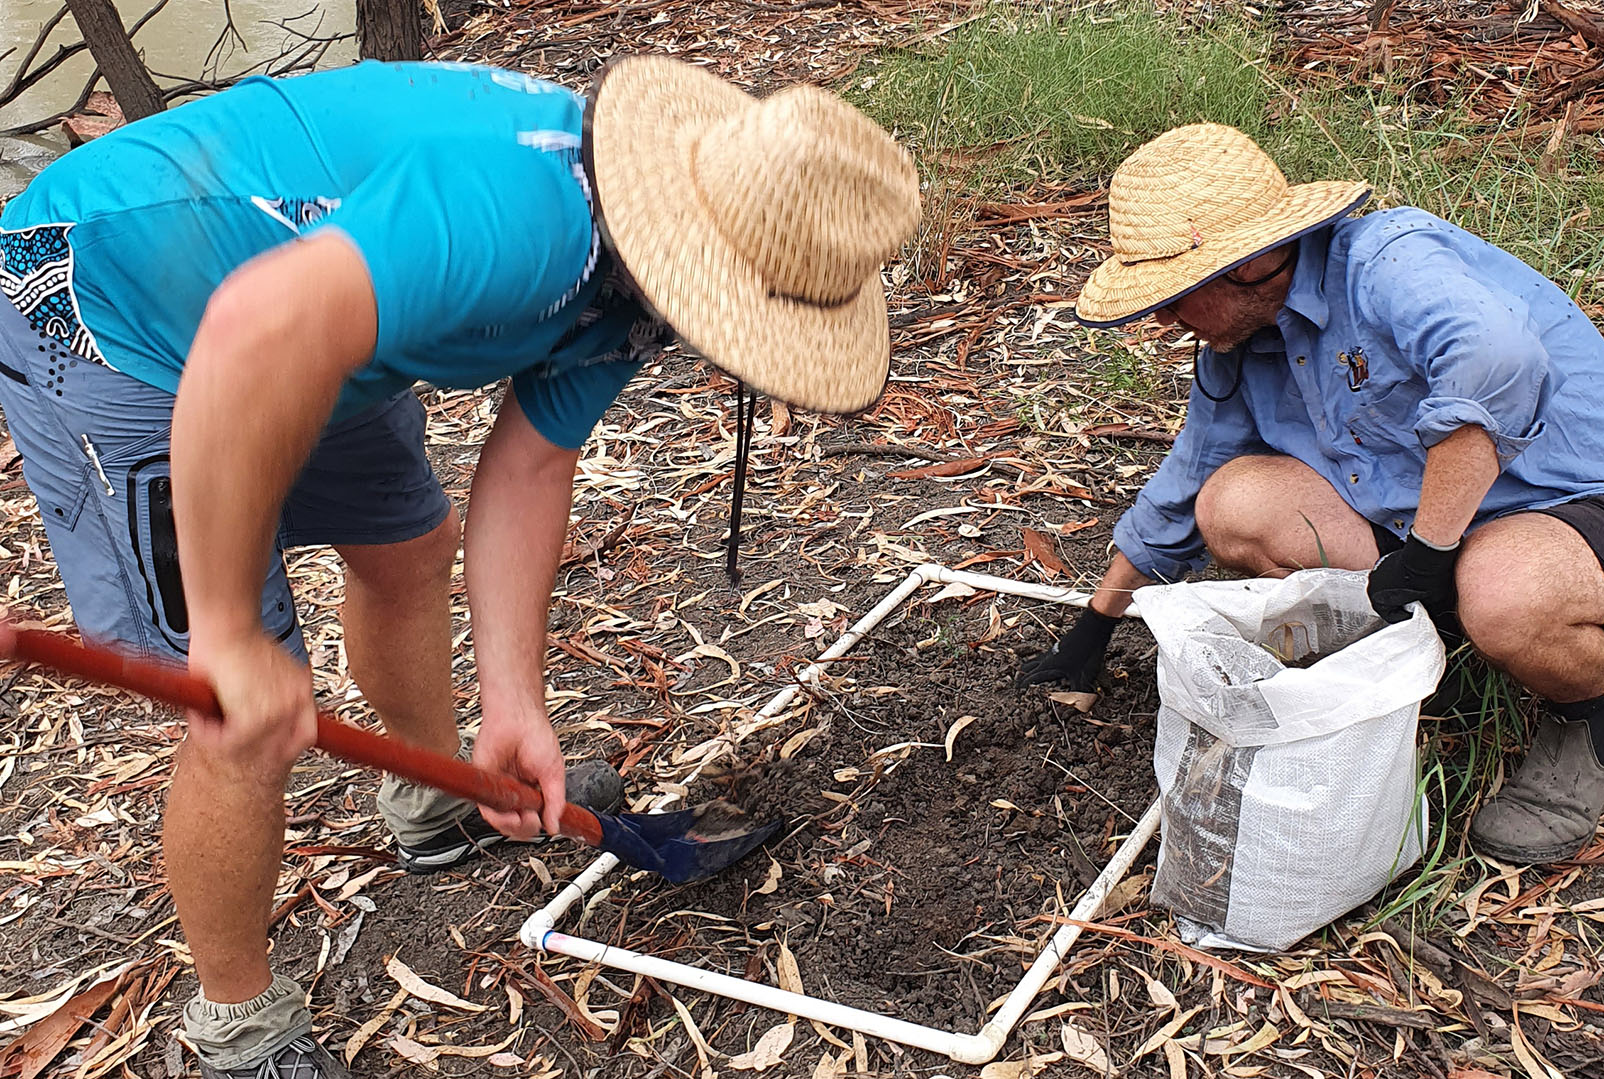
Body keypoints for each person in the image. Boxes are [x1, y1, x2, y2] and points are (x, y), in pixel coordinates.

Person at [0, 57, 917, 1077]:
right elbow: (253, 333)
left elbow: (532, 462)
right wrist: (222, 628)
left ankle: (437, 797)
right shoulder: (521, 220)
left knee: (406, 546)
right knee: (241, 710)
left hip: (322, 305)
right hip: (119, 306)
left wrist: (511, 700)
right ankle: (239, 1020)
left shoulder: (639, 277)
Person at [1019, 124, 1604, 868]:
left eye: (1176, 297)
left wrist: (1431, 548)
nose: (1164, 319)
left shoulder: (1389, 260)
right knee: (1234, 503)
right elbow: (1184, 486)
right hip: (1445, 545)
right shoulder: (1241, 350)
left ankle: (1590, 717)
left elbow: (1499, 361)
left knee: (1504, 588)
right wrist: (1095, 627)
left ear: (1250, 263)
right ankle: (1436, 643)